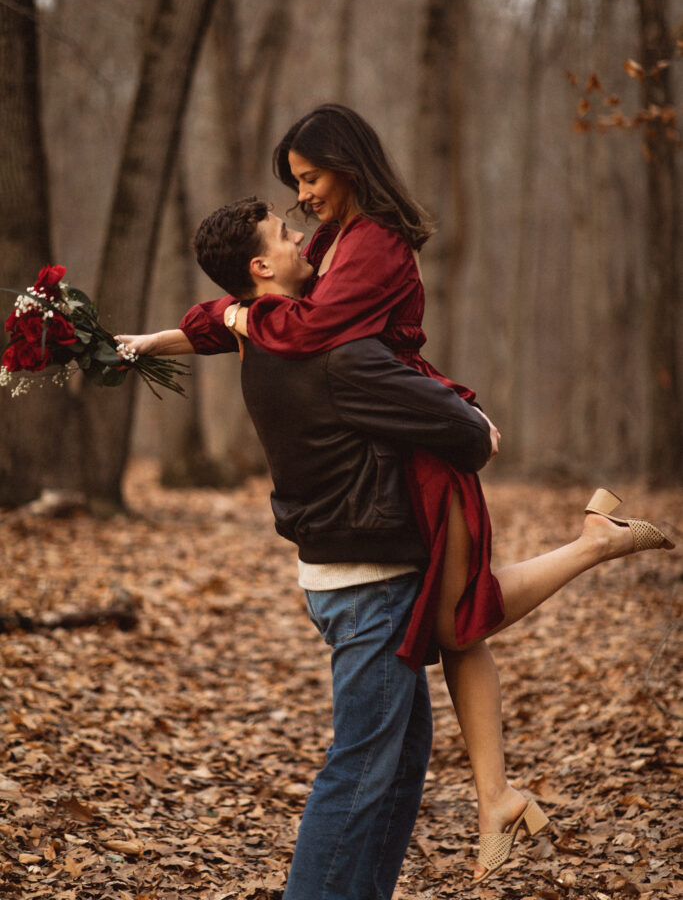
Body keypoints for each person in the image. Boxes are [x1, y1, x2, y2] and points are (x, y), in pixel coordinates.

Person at [118, 107, 675, 886]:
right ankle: (590, 554)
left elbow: (305, 329)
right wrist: (161, 338)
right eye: (294, 194)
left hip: (403, 446)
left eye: (309, 179)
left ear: (347, 165)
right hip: (377, 498)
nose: (301, 204)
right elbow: (252, 317)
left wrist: (461, 419)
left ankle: (503, 775)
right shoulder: (321, 258)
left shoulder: (366, 247)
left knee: (446, 648)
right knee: (427, 674)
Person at [182, 195, 496, 900]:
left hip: (342, 577)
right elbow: (468, 439)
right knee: (360, 772)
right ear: (261, 266)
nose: (306, 241)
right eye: (288, 235)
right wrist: (470, 418)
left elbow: (212, 319)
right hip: (370, 588)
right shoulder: (336, 356)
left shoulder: (256, 333)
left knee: (396, 766)